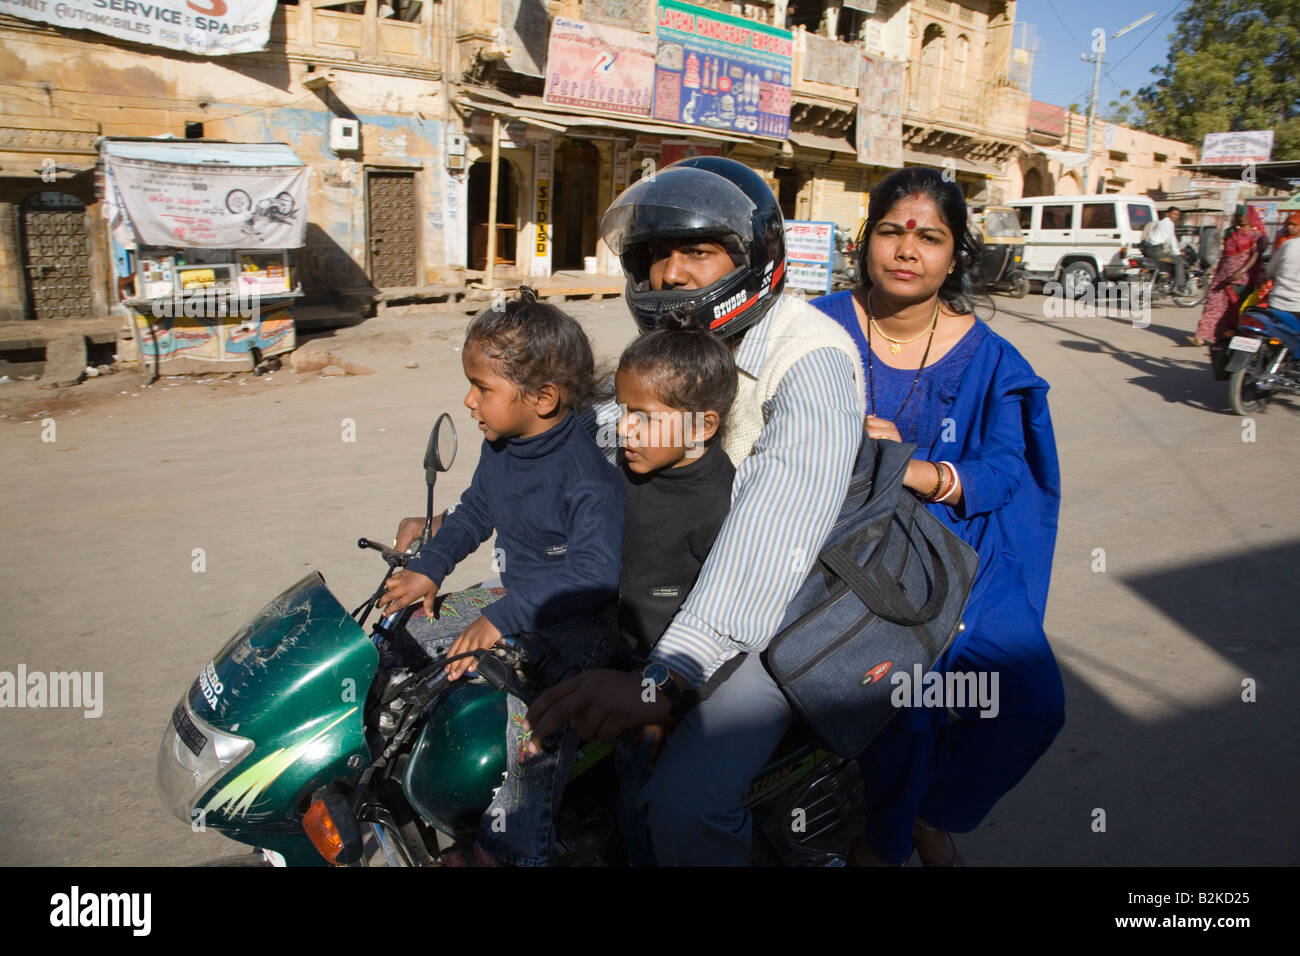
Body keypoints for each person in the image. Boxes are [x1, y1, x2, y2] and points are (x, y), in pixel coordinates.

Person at [521, 157, 867, 866]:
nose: (671, 275)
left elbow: (774, 536)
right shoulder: (682, 351)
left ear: (755, 258)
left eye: (697, 252)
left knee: (682, 809)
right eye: (656, 257)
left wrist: (669, 673)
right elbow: (599, 432)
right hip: (669, 583)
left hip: (773, 619)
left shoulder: (813, 362)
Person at [810, 166, 1064, 866]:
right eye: (891, 231)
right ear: (868, 242)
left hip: (956, 555)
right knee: (901, 705)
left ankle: (929, 812)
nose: (906, 248)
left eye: (929, 236)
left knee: (1029, 704)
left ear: (955, 255)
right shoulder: (815, 326)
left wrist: (916, 470)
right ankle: (883, 844)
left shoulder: (990, 358)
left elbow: (1008, 471)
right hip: (834, 551)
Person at [376, 289, 625, 867]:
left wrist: (498, 621)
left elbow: (594, 573)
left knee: (531, 729)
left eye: (482, 388)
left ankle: (511, 851)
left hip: (574, 622)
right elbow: (474, 512)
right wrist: (427, 570)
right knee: (399, 636)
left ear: (542, 397)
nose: (468, 401)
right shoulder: (505, 444)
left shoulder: (588, 474)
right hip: (514, 599)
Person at [606, 322, 739, 865]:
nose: (624, 431)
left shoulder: (718, 504)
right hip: (608, 644)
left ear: (702, 426)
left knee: (637, 799)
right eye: (622, 411)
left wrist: (670, 704)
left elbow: (720, 619)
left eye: (644, 418)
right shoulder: (625, 468)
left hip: (662, 677)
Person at [1194, 204, 1268, 347]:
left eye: (1245, 216)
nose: (1242, 218)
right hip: (1223, 275)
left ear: (1251, 217)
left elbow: (1255, 256)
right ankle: (1202, 334)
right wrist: (1216, 268)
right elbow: (1225, 254)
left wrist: (1241, 271)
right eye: (1239, 216)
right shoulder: (1230, 233)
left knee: (1235, 309)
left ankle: (1231, 336)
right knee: (1213, 304)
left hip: (1243, 279)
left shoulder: (1257, 237)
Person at [1143, 206, 1187, 293]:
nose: (1176, 216)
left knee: (1167, 262)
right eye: (1174, 214)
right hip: (1156, 251)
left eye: (1177, 215)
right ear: (1168, 214)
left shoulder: (1161, 223)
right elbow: (1171, 239)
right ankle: (1179, 287)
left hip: (1149, 249)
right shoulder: (1168, 223)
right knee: (1178, 261)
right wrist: (1177, 252)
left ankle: (1162, 281)